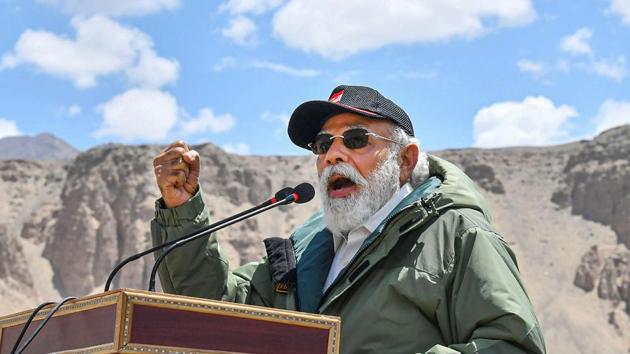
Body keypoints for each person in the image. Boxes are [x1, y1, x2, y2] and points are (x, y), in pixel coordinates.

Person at [151, 85, 546, 353]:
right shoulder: (306, 249)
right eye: (323, 145)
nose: (333, 155)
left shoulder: (457, 235)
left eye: (355, 140)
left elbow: (512, 344)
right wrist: (183, 211)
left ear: (404, 161)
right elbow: (216, 310)